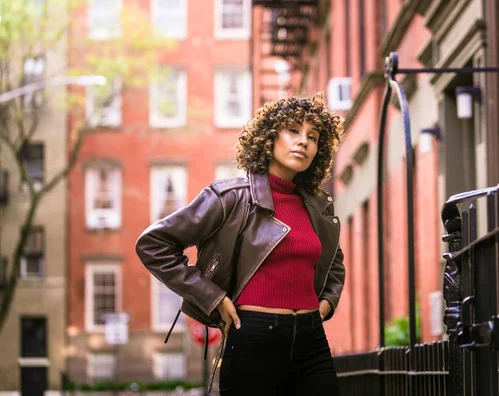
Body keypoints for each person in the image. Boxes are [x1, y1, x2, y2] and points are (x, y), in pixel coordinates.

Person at [135, 92, 345, 395]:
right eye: (293, 131)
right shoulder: (230, 197)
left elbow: (333, 258)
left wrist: (328, 300)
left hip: (312, 341)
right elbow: (154, 243)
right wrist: (213, 297)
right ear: (270, 138)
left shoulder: (317, 205)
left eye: (313, 137)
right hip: (254, 337)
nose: (303, 142)